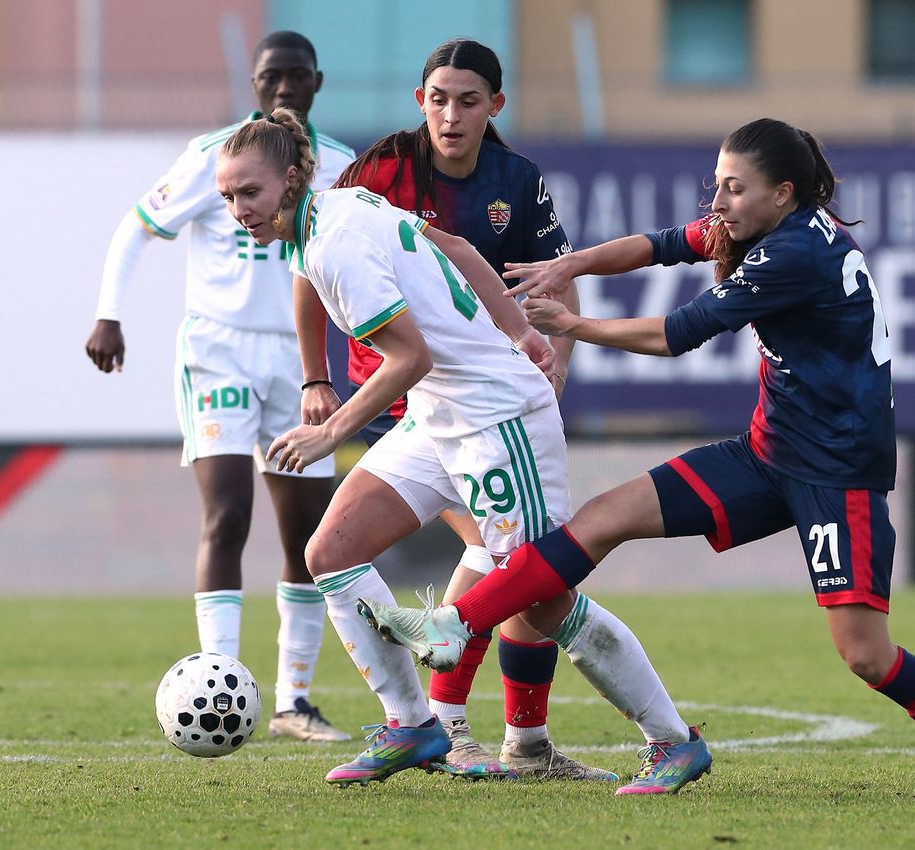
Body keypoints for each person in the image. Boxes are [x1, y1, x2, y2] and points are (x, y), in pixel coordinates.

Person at [361, 118, 915, 803]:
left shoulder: (793, 253)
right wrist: (572, 264)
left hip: (836, 475)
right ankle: (460, 627)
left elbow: (678, 333)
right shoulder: (762, 224)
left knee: (864, 654)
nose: (719, 202)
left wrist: (573, 326)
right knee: (599, 519)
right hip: (767, 454)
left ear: (783, 194)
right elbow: (660, 245)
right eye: (716, 184)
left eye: (734, 188)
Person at [214, 106, 702, 792]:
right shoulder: (343, 203)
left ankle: (673, 740)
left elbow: (406, 356)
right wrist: (522, 336)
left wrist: (329, 431)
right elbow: (462, 252)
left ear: (291, 180)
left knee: (539, 599)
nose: (238, 210)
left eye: (250, 193)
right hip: (437, 415)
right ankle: (413, 725)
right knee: (329, 553)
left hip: (495, 418)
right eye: (228, 197)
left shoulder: (333, 244)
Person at [305, 38, 602, 781]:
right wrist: (317, 379)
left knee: (511, 566)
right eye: (438, 98)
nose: (451, 113)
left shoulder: (515, 181)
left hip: (477, 399)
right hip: (403, 400)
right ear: (419, 102)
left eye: (468, 100)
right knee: (521, 569)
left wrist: (552, 355)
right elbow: (309, 272)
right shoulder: (378, 171)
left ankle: (469, 732)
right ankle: (471, 732)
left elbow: (551, 280)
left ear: (493, 107)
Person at [85, 32, 354, 742]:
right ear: (257, 83)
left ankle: (294, 702)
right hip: (218, 354)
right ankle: (222, 682)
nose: (285, 87)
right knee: (227, 514)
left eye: (297, 75)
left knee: (308, 535)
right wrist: (108, 313)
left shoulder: (342, 168)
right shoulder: (216, 156)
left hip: (302, 365)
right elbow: (137, 228)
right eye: (273, 76)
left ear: (316, 82)